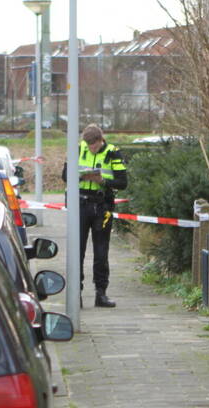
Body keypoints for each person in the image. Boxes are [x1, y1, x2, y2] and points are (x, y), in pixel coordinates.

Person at [62, 124, 127, 308]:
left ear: (101, 140)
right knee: (77, 251)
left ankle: (101, 293)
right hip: (80, 205)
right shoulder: (76, 149)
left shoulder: (113, 152)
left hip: (102, 206)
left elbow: (123, 182)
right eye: (89, 145)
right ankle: (77, 294)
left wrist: (103, 181)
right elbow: (66, 176)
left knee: (101, 252)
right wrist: (82, 176)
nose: (91, 148)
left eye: (95, 145)